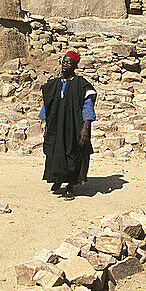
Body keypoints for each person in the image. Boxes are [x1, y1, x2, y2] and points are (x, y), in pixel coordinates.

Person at [39, 50, 96, 197]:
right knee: (54, 152)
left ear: (75, 66)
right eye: (64, 61)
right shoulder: (54, 84)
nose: (65, 65)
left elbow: (87, 106)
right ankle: (57, 179)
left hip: (74, 126)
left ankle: (71, 184)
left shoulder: (81, 85)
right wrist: (46, 126)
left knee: (73, 152)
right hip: (56, 126)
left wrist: (86, 127)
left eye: (69, 62)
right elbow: (47, 105)